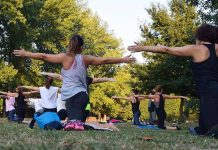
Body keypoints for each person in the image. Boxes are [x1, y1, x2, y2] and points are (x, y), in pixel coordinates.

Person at [13, 34, 135, 131]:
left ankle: (107, 127)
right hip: (81, 97)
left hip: (74, 97)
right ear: (81, 47)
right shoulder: (85, 58)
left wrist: (26, 53)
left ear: (69, 45)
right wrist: (123, 59)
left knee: (75, 126)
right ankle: (100, 126)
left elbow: (43, 56)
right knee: (73, 125)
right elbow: (105, 60)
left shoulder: (64, 57)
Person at [128, 24, 218, 134]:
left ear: (200, 37)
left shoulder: (197, 49)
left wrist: (142, 48)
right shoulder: (216, 48)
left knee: (210, 129)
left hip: (207, 91)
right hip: (213, 90)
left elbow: (166, 49)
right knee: (205, 128)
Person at [39, 72, 116, 122]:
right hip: (78, 102)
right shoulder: (74, 78)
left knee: (84, 114)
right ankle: (73, 122)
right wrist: (46, 73)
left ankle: (78, 123)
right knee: (76, 118)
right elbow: (58, 76)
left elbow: (98, 80)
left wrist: (108, 79)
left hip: (84, 103)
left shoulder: (86, 79)